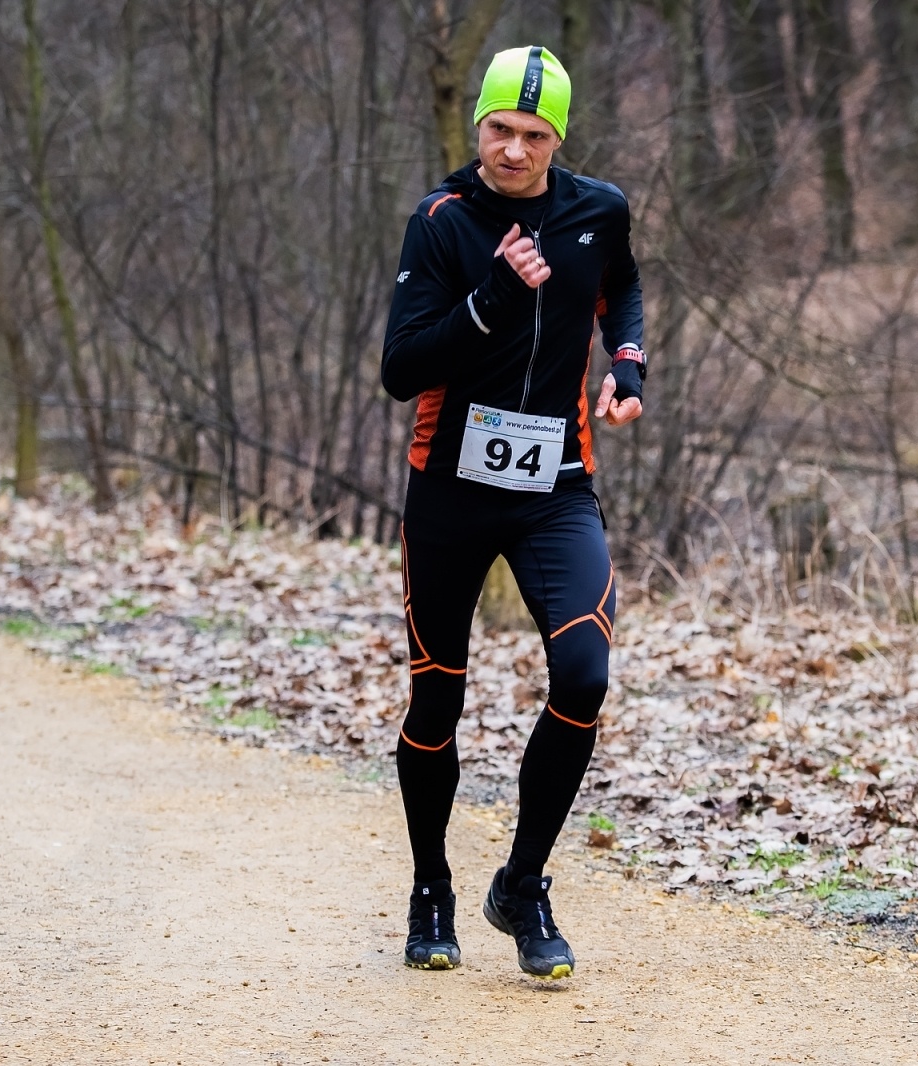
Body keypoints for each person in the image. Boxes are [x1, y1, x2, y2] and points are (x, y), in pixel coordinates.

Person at [380, 45, 646, 980]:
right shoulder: (442, 222)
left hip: (556, 486)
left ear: (558, 138)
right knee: (437, 697)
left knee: (583, 672)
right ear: (478, 128)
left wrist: (628, 365)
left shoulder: (595, 209)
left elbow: (622, 287)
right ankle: (429, 888)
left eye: (535, 135)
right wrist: (492, 298)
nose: (515, 151)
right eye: (500, 130)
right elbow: (400, 369)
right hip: (449, 490)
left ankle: (522, 883)